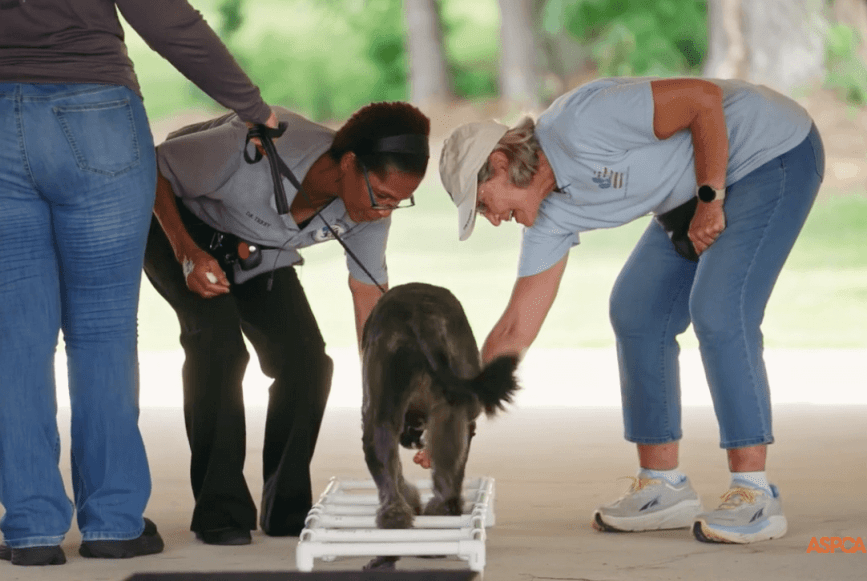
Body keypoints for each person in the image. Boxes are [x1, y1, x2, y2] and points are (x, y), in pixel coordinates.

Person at [0, 0, 276, 566]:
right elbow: (168, 20)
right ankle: (113, 523)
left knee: (12, 339)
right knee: (103, 330)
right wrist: (250, 106)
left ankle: (31, 528)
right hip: (96, 115)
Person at [437, 77, 823, 544]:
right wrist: (456, 413)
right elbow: (516, 326)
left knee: (721, 309)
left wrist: (710, 198)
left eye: (484, 205)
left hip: (771, 151)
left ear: (499, 163)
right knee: (637, 310)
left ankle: (754, 492)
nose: (494, 219)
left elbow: (703, 100)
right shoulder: (550, 215)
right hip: (697, 190)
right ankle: (663, 486)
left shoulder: (581, 122)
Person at [143, 101, 430, 545]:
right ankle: (221, 511)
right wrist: (186, 252)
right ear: (350, 163)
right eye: (383, 195)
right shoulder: (253, 146)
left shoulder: (370, 214)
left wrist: (389, 396)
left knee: (308, 364)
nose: (386, 211)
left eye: (400, 201)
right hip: (178, 227)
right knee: (218, 344)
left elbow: (369, 299)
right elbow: (154, 168)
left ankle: (286, 510)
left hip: (257, 251)